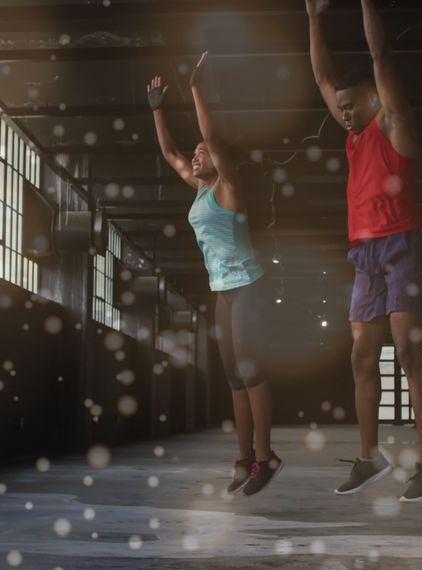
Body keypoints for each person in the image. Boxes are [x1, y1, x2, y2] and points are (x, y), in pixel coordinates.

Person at [306, 0, 422, 502]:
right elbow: (325, 78)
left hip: (404, 247)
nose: (343, 112)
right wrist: (314, 18)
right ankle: (370, 457)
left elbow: (382, 53)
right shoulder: (352, 132)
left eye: (352, 104)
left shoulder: (394, 125)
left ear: (374, 98)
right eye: (341, 107)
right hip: (364, 255)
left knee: (408, 352)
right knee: (362, 356)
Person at [146, 52, 282, 496]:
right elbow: (169, 153)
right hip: (222, 290)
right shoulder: (199, 190)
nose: (198, 155)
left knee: (250, 368)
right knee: (231, 374)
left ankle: (266, 456)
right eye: (198, 155)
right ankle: (243, 457)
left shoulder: (228, 186)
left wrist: (197, 90)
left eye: (205, 153)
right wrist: (158, 109)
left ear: (220, 161)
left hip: (249, 286)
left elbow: (210, 136)